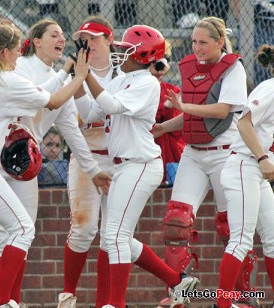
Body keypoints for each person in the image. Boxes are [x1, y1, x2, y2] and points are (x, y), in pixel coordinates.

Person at [0, 19, 112, 306]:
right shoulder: (17, 69)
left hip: (3, 159)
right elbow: (46, 98)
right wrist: (73, 75)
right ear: (32, 41)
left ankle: (2, 299)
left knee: (7, 233)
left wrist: (92, 169)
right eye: (54, 34)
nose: (61, 39)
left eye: (63, 34)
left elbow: (70, 125)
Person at [78, 24, 200, 308]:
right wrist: (76, 82)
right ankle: (176, 280)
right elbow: (89, 112)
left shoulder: (147, 82)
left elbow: (110, 106)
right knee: (115, 238)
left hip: (141, 164)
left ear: (145, 55)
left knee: (115, 236)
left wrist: (87, 78)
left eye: (127, 49)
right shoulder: (121, 78)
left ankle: (116, 303)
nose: (120, 52)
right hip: (124, 166)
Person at [152, 16, 257, 308]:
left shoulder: (232, 68)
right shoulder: (188, 67)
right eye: (194, 41)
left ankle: (240, 297)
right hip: (194, 152)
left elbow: (222, 111)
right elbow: (192, 115)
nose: (197, 48)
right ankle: (178, 291)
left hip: (226, 153)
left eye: (204, 42)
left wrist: (183, 106)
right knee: (176, 222)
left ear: (219, 42)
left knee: (229, 228)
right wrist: (163, 127)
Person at [57, 15, 117, 308]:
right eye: (85, 39)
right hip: (87, 157)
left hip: (119, 159)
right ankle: (68, 295)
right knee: (83, 229)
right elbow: (83, 118)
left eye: (95, 38)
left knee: (111, 235)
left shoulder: (124, 73)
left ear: (109, 39)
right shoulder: (72, 75)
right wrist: (77, 77)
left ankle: (104, 302)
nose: (89, 43)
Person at [213, 45, 274, 308]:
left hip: (256, 170)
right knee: (240, 239)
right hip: (244, 165)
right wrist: (262, 157)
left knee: (273, 237)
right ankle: (222, 304)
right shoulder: (271, 87)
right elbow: (243, 122)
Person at [149, 40, 185, 187]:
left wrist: (169, 108)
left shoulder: (171, 90)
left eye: (166, 59)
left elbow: (177, 132)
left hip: (167, 149)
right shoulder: (133, 86)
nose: (161, 64)